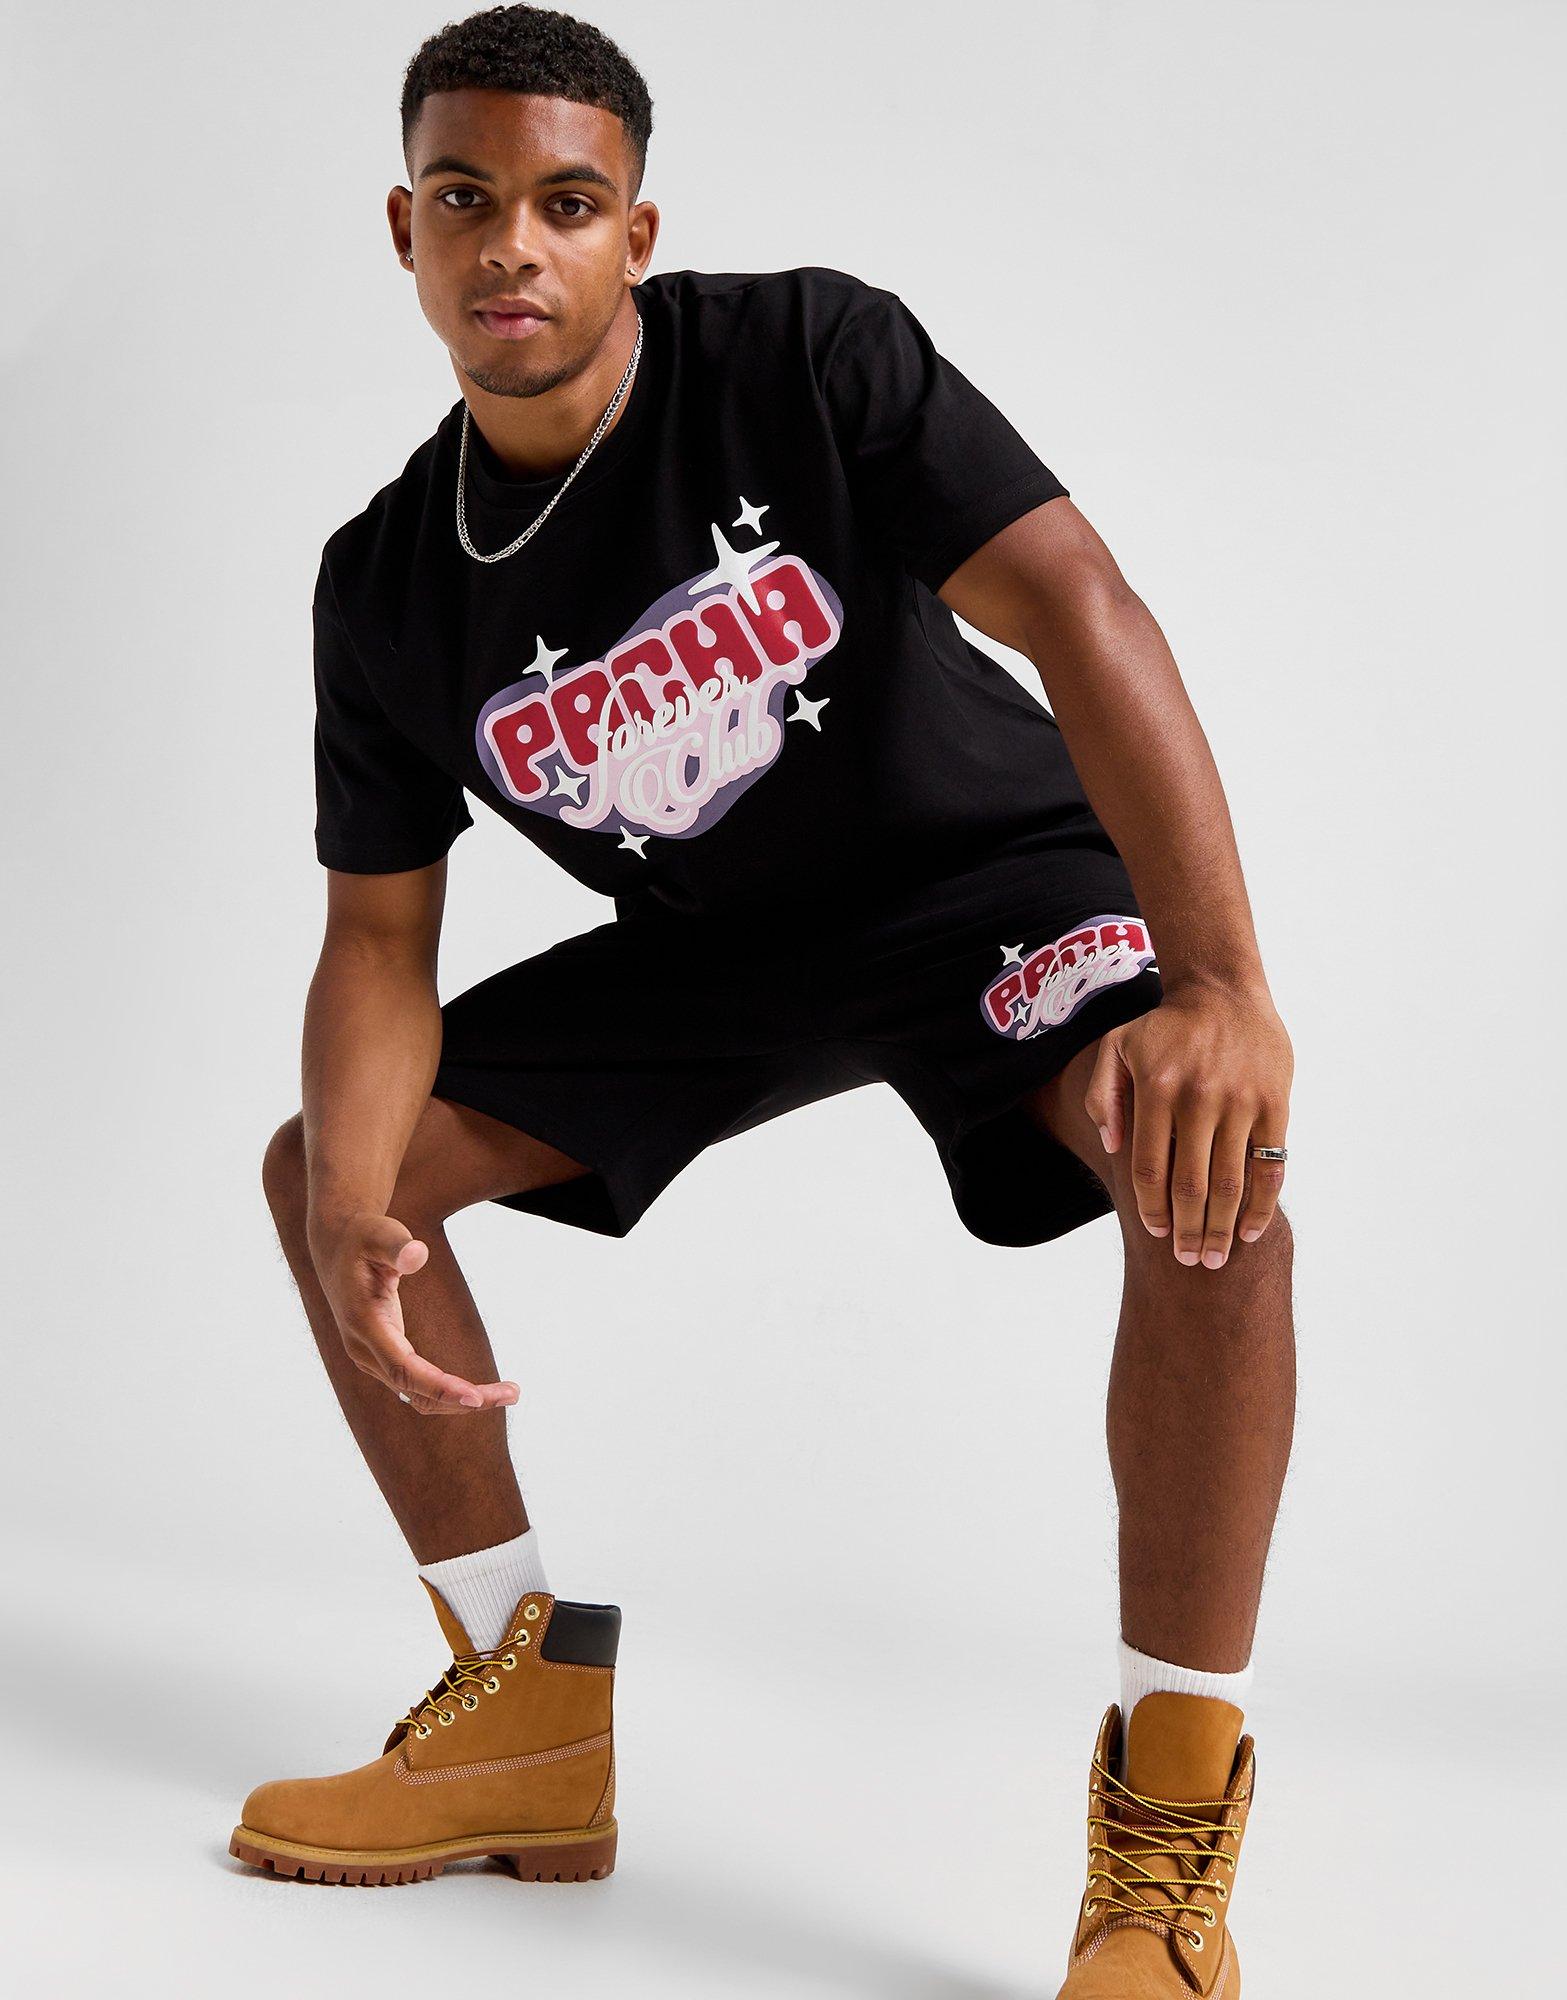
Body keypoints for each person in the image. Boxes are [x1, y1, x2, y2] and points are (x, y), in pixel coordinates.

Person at [232, 7, 1295, 1991]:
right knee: (327, 1169)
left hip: (986, 887)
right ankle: (527, 1713)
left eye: (568, 204)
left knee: (1209, 1174)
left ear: (636, 233)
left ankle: (1167, 1835)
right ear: (403, 229)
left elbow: (1080, 605)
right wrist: (363, 1206)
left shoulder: (807, 354)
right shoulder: (384, 584)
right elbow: (377, 940)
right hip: (717, 952)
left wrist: (1222, 980)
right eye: (465, 198)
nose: (512, 244)